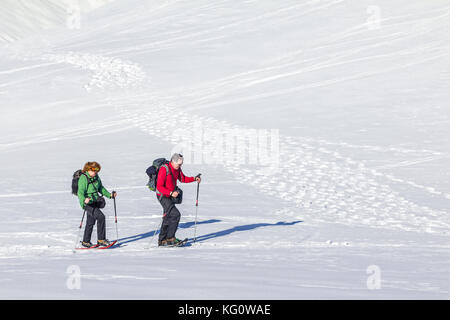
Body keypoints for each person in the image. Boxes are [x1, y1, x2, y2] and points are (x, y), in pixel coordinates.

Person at [156, 153, 201, 246]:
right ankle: (170, 238)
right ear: (173, 162)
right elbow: (159, 186)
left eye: (181, 164)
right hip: (162, 195)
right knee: (175, 215)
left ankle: (162, 240)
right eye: (179, 164)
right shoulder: (164, 169)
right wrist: (171, 193)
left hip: (170, 196)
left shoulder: (177, 169)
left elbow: (182, 178)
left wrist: (194, 178)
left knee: (167, 217)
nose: (180, 166)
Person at [77, 161, 117, 248]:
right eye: (94, 170)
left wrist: (110, 195)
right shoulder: (83, 178)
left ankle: (85, 241)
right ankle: (101, 239)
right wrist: (84, 200)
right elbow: (80, 193)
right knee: (101, 217)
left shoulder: (96, 177)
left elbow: (100, 188)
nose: (96, 172)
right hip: (87, 204)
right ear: (88, 169)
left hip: (95, 201)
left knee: (90, 222)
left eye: (97, 170)